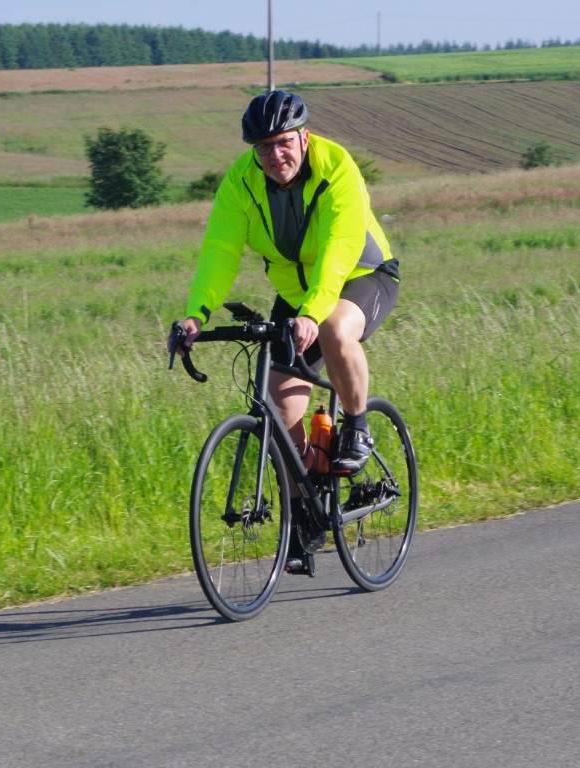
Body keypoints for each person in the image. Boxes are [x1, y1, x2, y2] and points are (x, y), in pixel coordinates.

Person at [175, 89, 400, 575]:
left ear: (303, 137)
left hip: (361, 275)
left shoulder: (337, 167)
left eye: (283, 142)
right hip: (296, 293)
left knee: (335, 328)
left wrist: (313, 313)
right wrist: (196, 314)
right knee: (279, 406)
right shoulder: (240, 181)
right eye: (263, 147)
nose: (275, 155)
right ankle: (305, 515)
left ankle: (357, 426)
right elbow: (220, 250)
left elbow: (339, 248)